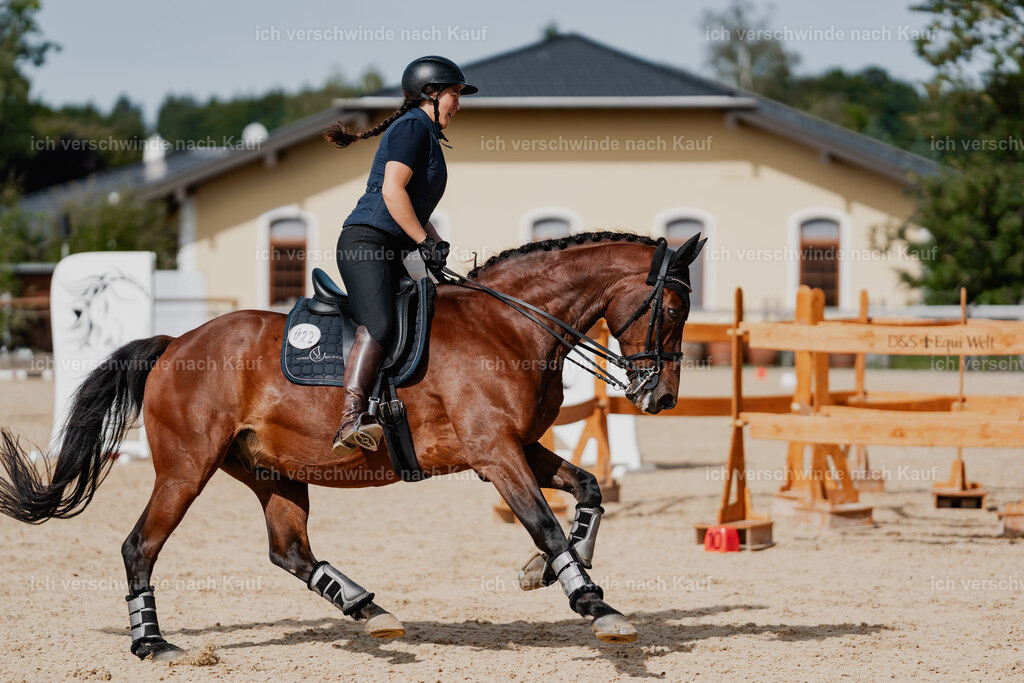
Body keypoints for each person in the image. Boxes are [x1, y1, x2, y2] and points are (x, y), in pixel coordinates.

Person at [323, 56, 477, 459]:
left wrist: (435, 242)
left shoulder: (426, 133)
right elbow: (393, 191)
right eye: (454, 94)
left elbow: (415, 208)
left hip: (391, 247)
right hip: (366, 243)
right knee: (381, 323)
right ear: (431, 94)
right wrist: (423, 242)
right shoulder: (411, 128)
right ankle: (351, 418)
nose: (458, 104)